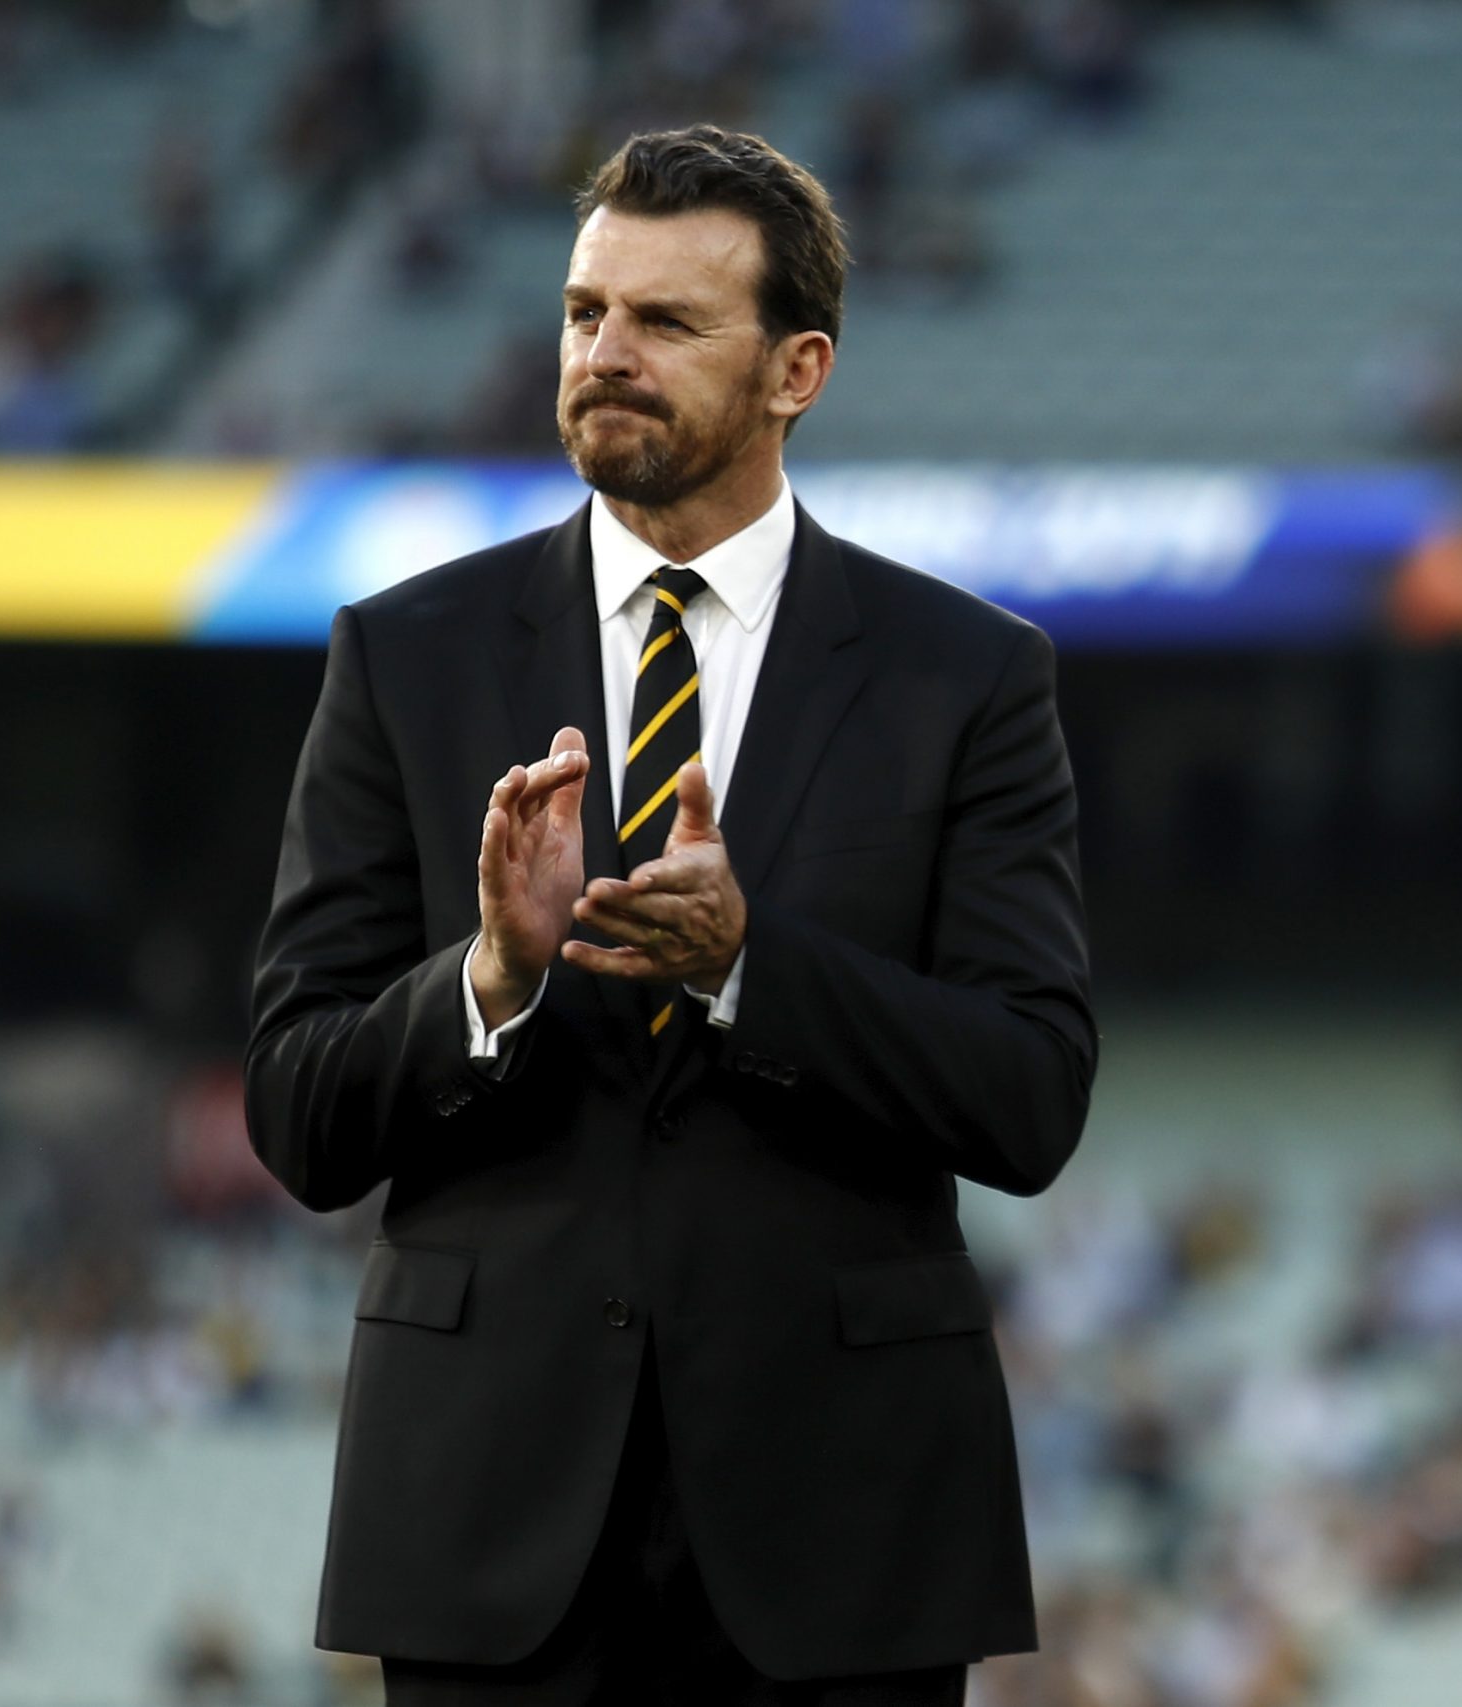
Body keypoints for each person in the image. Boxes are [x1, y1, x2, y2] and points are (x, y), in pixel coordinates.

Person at [245, 124, 1096, 1705]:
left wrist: (751, 967)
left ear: (797, 371)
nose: (605, 355)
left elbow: (1031, 1096)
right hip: (488, 1528)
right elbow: (298, 1112)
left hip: (842, 1534)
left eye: (666, 321)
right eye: (585, 313)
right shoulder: (405, 654)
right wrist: (490, 977)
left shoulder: (968, 677)